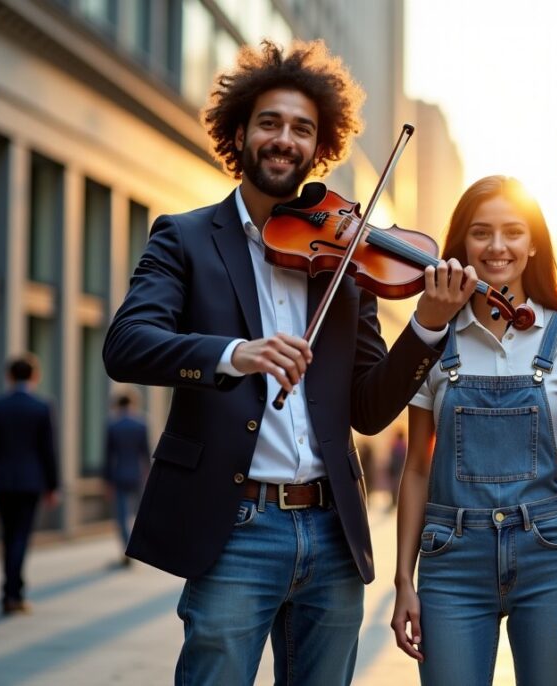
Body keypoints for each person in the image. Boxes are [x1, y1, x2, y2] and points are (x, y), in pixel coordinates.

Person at [102, 40, 473, 685]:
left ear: (319, 147)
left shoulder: (345, 254)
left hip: (332, 531)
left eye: (303, 129)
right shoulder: (185, 237)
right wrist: (233, 355)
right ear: (240, 132)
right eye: (270, 123)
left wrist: (426, 327)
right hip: (235, 526)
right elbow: (126, 344)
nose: (285, 140)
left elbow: (368, 407)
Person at [389, 176, 557, 685]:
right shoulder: (432, 336)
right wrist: (402, 582)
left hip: (550, 557)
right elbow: (416, 468)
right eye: (481, 232)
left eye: (513, 232)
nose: (497, 246)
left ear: (533, 245)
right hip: (451, 560)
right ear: (460, 245)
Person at [0, 354, 59, 616]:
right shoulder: (41, 406)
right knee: (21, 537)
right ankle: (14, 593)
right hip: (30, 481)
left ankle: (9, 590)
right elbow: (48, 450)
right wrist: (52, 485)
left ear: (9, 376)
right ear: (35, 377)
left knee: (7, 535)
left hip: (2, 481)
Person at [102, 390, 150, 566]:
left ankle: (127, 548)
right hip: (137, 475)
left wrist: (107, 482)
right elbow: (146, 453)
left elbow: (108, 456)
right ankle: (136, 548)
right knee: (138, 515)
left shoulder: (112, 425)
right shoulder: (142, 424)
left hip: (118, 475)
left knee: (121, 516)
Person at [385, 428, 406, 511]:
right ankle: (396, 502)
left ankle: (393, 502)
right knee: (398, 485)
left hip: (394, 468)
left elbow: (392, 457)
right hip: (401, 468)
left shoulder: (395, 444)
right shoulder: (404, 445)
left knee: (393, 485)